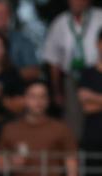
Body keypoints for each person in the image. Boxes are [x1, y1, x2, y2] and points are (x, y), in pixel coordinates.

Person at [43, 0, 102, 137]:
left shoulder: (100, 17)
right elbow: (54, 60)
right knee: (73, 120)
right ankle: (76, 154)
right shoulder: (60, 22)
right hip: (72, 77)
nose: (78, 2)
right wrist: (57, 91)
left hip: (98, 73)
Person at [73, 28, 102, 176]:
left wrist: (97, 99)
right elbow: (86, 105)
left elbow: (93, 103)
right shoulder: (88, 73)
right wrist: (91, 101)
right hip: (92, 142)